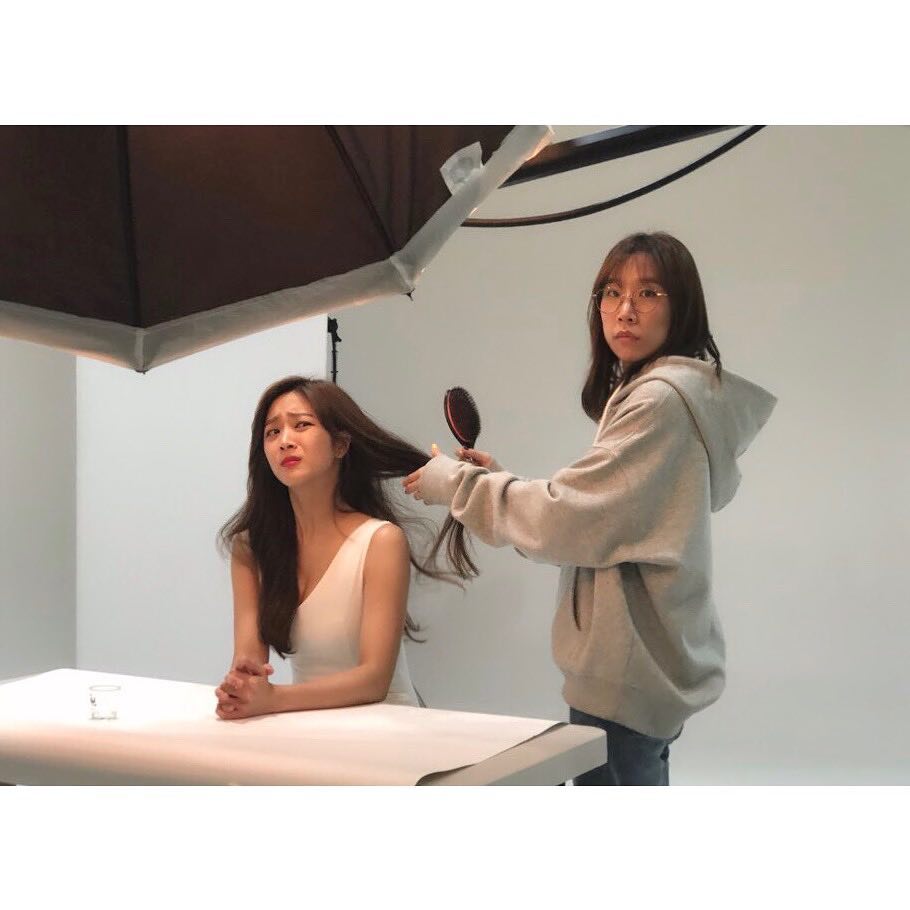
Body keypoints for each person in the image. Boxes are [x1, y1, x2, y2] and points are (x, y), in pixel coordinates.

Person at [403, 232, 777, 785]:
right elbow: (597, 517)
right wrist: (496, 479)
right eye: (611, 292)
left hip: (627, 673)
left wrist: (457, 483)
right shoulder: (664, 394)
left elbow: (569, 519)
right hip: (643, 667)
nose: (625, 309)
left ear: (682, 307)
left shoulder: (659, 402)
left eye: (648, 293)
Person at [214, 376, 472, 720]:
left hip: (388, 725)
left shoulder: (381, 541)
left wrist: (273, 699)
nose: (285, 441)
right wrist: (241, 687)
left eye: (301, 425)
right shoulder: (250, 548)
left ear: (340, 445)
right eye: (272, 432)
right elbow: (248, 661)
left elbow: (373, 680)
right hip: (305, 725)